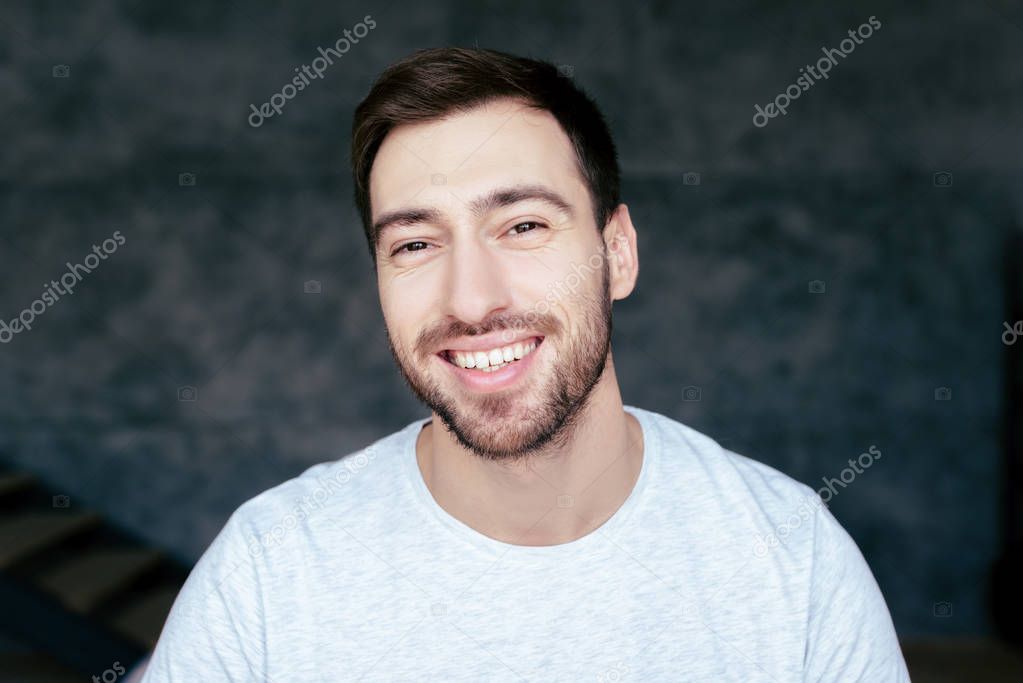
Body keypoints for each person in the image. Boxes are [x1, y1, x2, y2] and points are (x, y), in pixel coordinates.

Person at [141, 47, 910, 681]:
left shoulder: (791, 561)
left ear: (617, 253)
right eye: (414, 243)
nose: (471, 300)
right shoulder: (270, 572)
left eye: (522, 225)